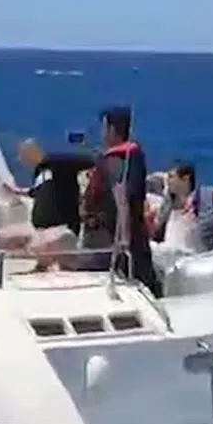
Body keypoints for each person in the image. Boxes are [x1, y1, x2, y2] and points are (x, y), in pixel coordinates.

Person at [75, 106, 162, 297]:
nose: (102, 133)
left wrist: (123, 241)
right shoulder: (132, 157)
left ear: (112, 130)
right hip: (134, 237)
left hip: (111, 239)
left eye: (104, 128)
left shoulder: (114, 161)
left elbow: (121, 197)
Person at [0, 139, 94, 268]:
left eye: (23, 155)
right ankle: (44, 262)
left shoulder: (57, 164)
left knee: (42, 245)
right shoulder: (39, 171)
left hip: (61, 228)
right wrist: (15, 191)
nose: (21, 160)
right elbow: (36, 192)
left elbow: (87, 162)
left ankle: (61, 262)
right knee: (1, 237)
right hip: (41, 228)